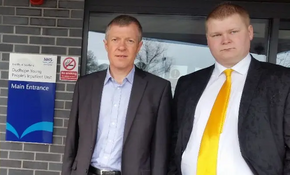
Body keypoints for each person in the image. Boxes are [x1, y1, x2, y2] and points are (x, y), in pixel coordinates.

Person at [169, 2, 290, 175]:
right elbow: (175, 141)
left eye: (233, 32)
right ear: (208, 39)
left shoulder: (282, 81)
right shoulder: (187, 84)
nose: (225, 40)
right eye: (216, 34)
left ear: (249, 32)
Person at [62, 14, 172, 175]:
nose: (121, 47)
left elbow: (160, 150)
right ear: (106, 45)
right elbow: (72, 140)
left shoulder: (158, 90)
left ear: (139, 46)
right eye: (115, 40)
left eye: (130, 41)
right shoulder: (85, 86)